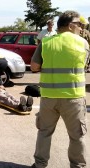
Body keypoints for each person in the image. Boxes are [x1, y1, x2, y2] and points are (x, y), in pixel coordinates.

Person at [30, 10, 89, 168]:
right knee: (77, 136)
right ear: (70, 26)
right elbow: (84, 65)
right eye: (79, 25)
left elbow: (34, 66)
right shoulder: (83, 43)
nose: (81, 28)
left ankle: (40, 164)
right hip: (73, 98)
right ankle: (78, 166)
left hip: (49, 97)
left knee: (44, 132)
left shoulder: (47, 42)